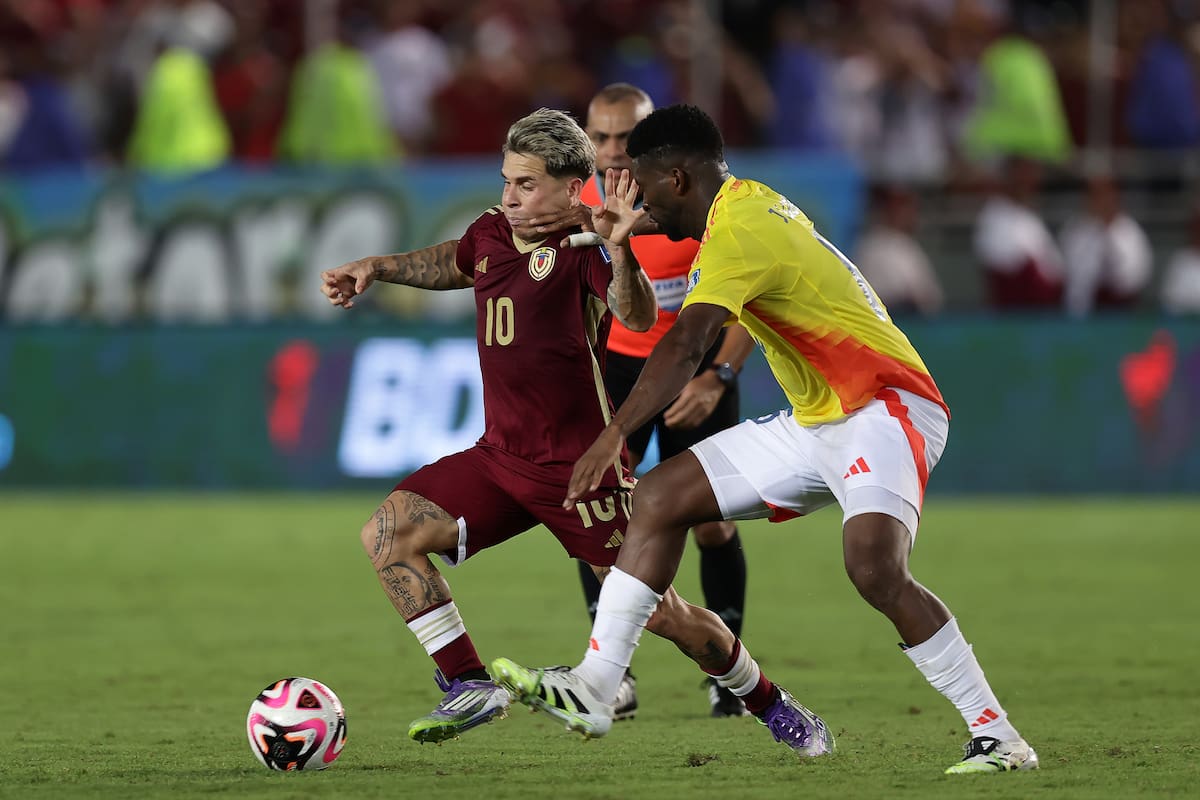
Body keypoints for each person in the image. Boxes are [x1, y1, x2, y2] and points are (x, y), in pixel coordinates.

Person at [492, 104, 1038, 775]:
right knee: (659, 496)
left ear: (681, 179)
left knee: (874, 567)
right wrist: (612, 239)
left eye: (642, 181)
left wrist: (613, 434)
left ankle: (999, 736)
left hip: (886, 405)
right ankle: (598, 684)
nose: (631, 195)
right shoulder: (743, 206)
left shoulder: (740, 231)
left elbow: (686, 341)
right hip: (817, 419)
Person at [319, 107, 741, 745]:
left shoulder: (584, 247)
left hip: (580, 471)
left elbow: (634, 313)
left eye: (525, 184)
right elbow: (455, 263)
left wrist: (617, 246)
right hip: (500, 459)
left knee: (664, 616)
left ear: (573, 187)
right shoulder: (492, 231)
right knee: (388, 533)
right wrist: (377, 266)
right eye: (506, 180)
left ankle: (765, 697)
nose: (508, 198)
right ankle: (468, 684)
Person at [512, 83, 757, 720]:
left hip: (694, 367)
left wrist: (718, 379)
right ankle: (610, 676)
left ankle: (726, 669)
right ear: (586, 141)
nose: (615, 151)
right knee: (592, 512)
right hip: (616, 368)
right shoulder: (575, 206)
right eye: (602, 138)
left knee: (710, 522)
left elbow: (751, 305)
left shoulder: (691, 202)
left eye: (627, 137)